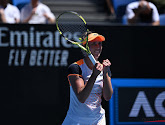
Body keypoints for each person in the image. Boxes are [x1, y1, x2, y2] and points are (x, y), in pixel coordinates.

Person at [62, 32, 113, 125]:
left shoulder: (104, 68)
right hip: (76, 120)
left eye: (99, 43)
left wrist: (106, 73)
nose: (98, 46)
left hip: (98, 120)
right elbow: (81, 97)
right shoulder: (75, 67)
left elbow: (107, 97)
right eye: (93, 43)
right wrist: (94, 75)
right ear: (86, 47)